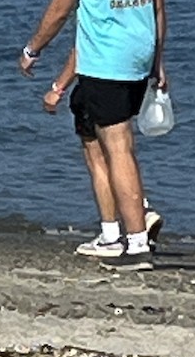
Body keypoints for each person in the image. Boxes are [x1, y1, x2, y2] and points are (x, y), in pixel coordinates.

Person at [19, 0, 167, 270]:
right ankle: (112, 232)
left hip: (107, 59)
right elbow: (158, 4)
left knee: (119, 146)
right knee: (94, 132)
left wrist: (34, 49)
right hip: (137, 55)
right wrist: (159, 61)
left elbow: (62, 4)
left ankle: (136, 242)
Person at [43, 46, 163, 257]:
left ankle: (112, 235)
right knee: (121, 151)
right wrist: (157, 65)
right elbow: (157, 21)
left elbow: (82, 47)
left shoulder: (93, 13)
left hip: (99, 79)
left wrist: (58, 88)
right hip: (132, 74)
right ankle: (140, 210)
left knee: (98, 158)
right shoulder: (137, 11)